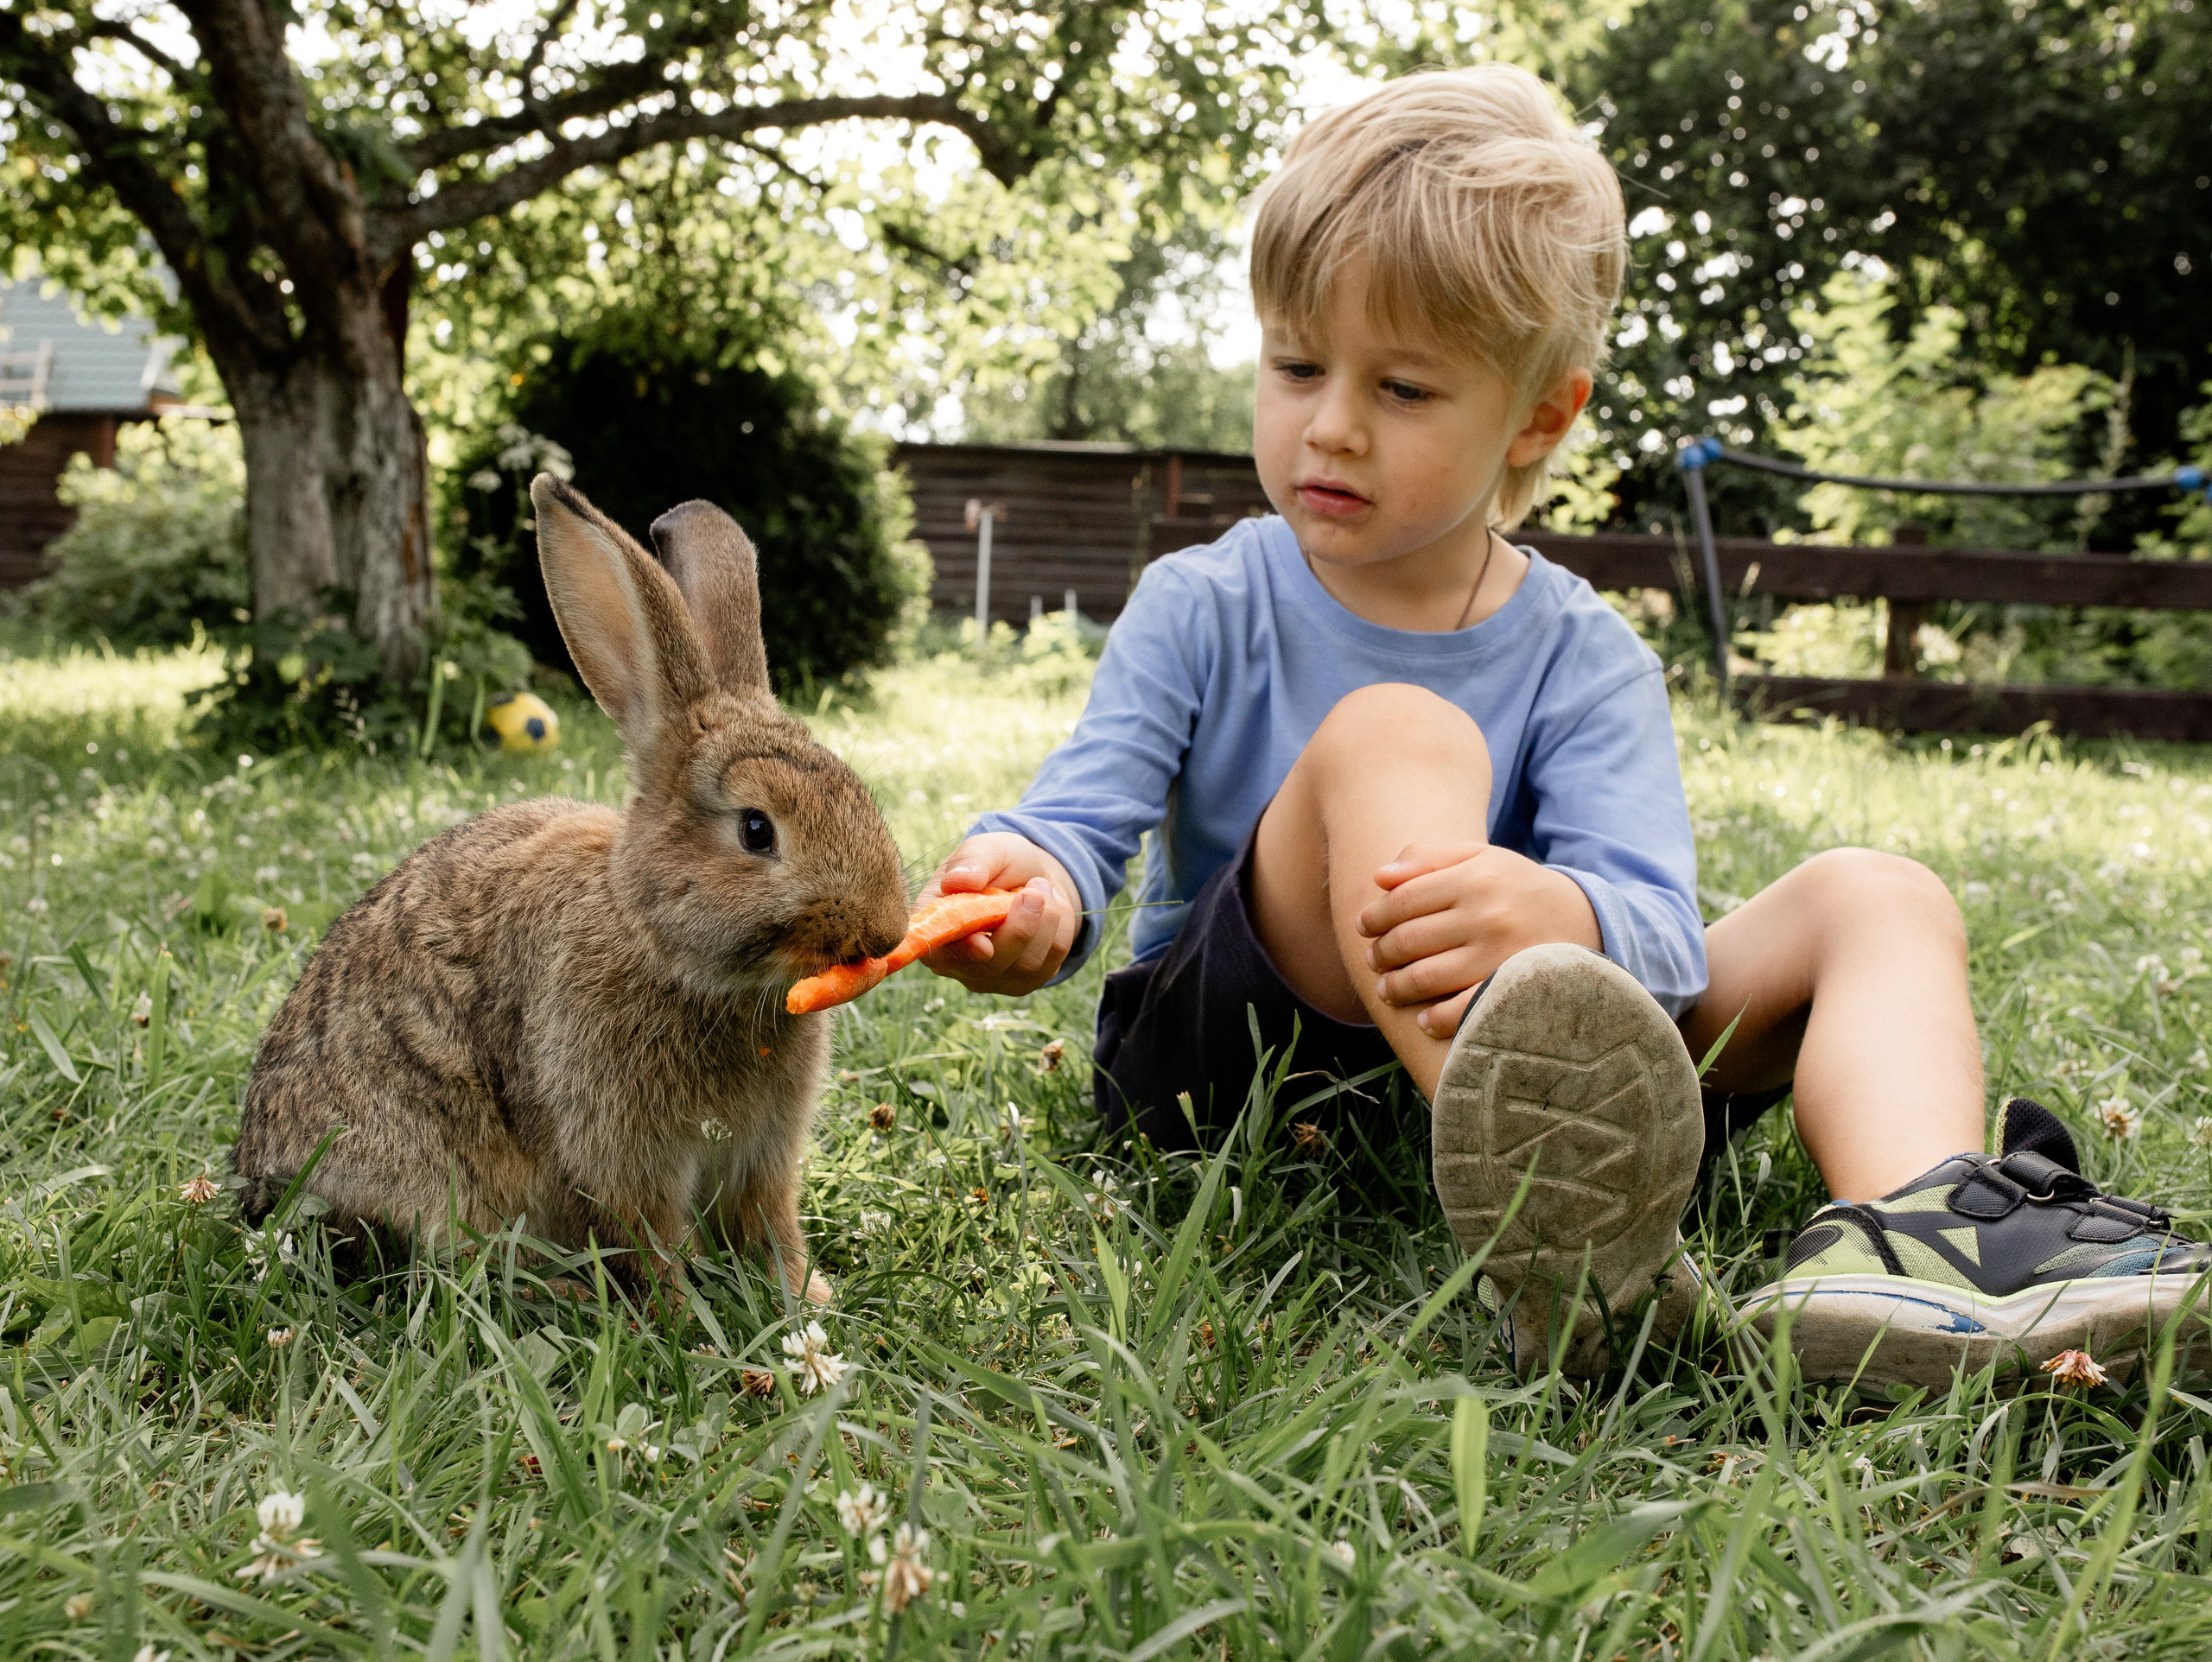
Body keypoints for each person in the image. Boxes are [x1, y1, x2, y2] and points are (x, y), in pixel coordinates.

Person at [913, 66, 2210, 1383]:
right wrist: (1031, 890)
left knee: (1877, 892)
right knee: (1396, 730)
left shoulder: (1587, 656)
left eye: (1404, 390)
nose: (1333, 426)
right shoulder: (1204, 601)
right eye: (1296, 364)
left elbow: (1653, 925)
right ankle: (1566, 1238)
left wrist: (1567, 919)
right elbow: (1077, 822)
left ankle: (1925, 1244)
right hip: (1236, 1082)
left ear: (1540, 413)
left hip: (1575, 1074)